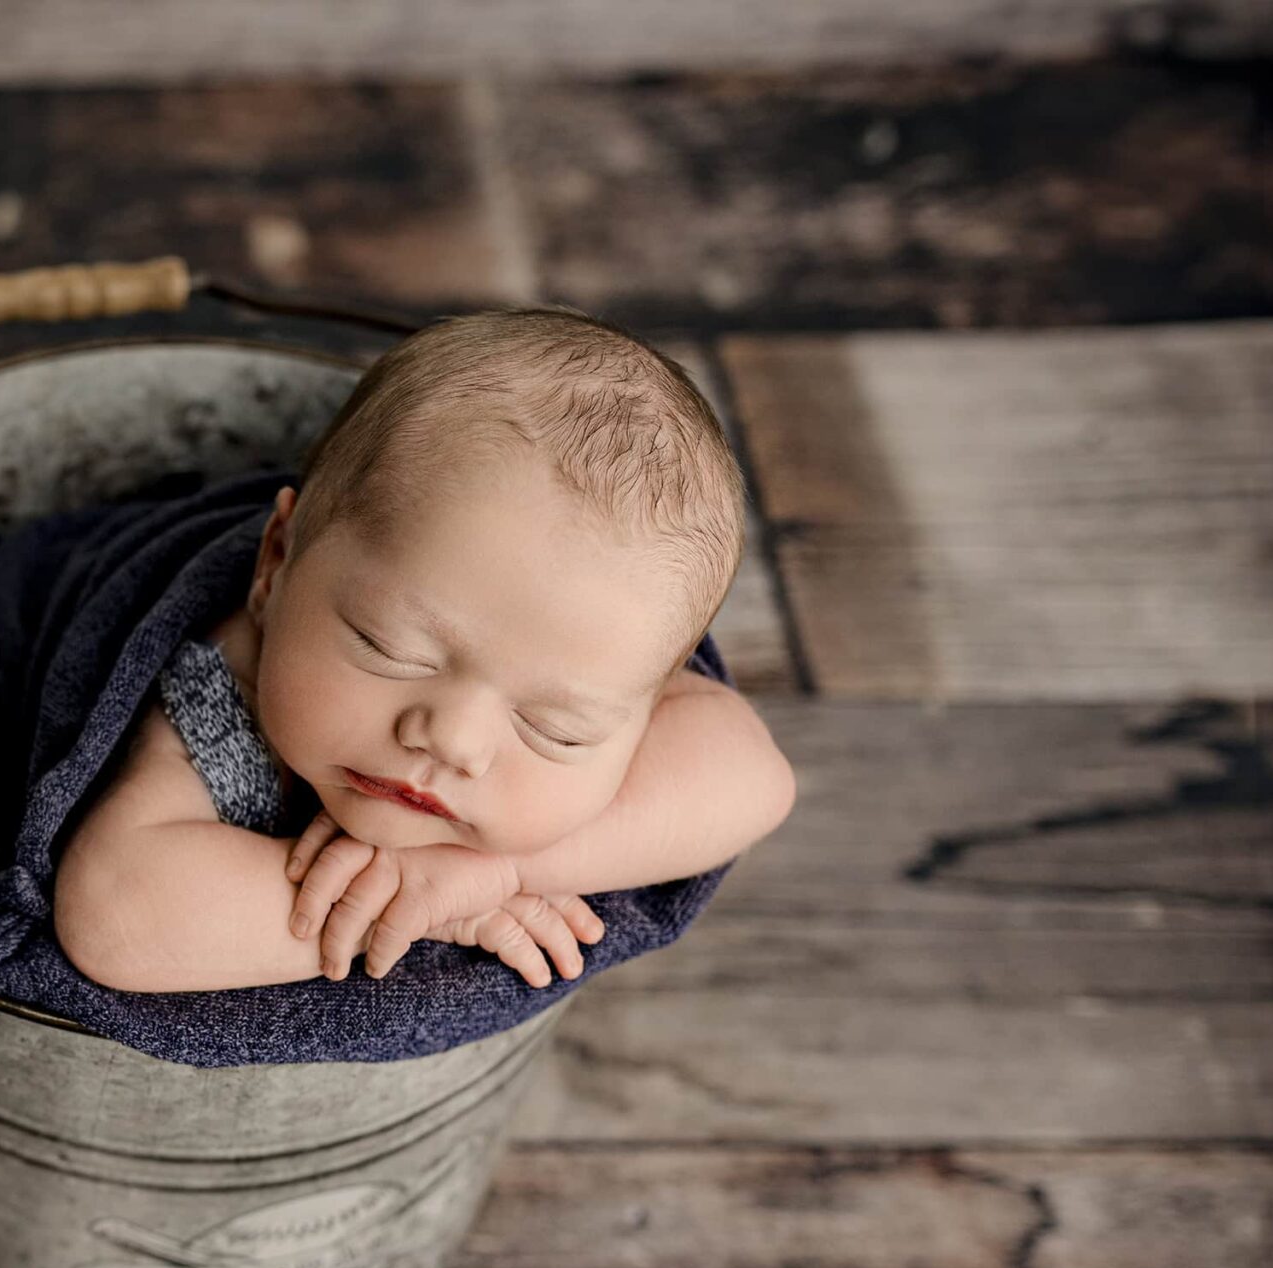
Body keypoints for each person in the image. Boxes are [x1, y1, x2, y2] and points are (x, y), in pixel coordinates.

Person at [52, 306, 798, 995]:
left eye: (555, 727)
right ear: (276, 564)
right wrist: (422, 914)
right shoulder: (226, 693)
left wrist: (484, 873)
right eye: (391, 648)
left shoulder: (594, 658)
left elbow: (754, 777)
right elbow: (117, 913)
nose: (452, 740)